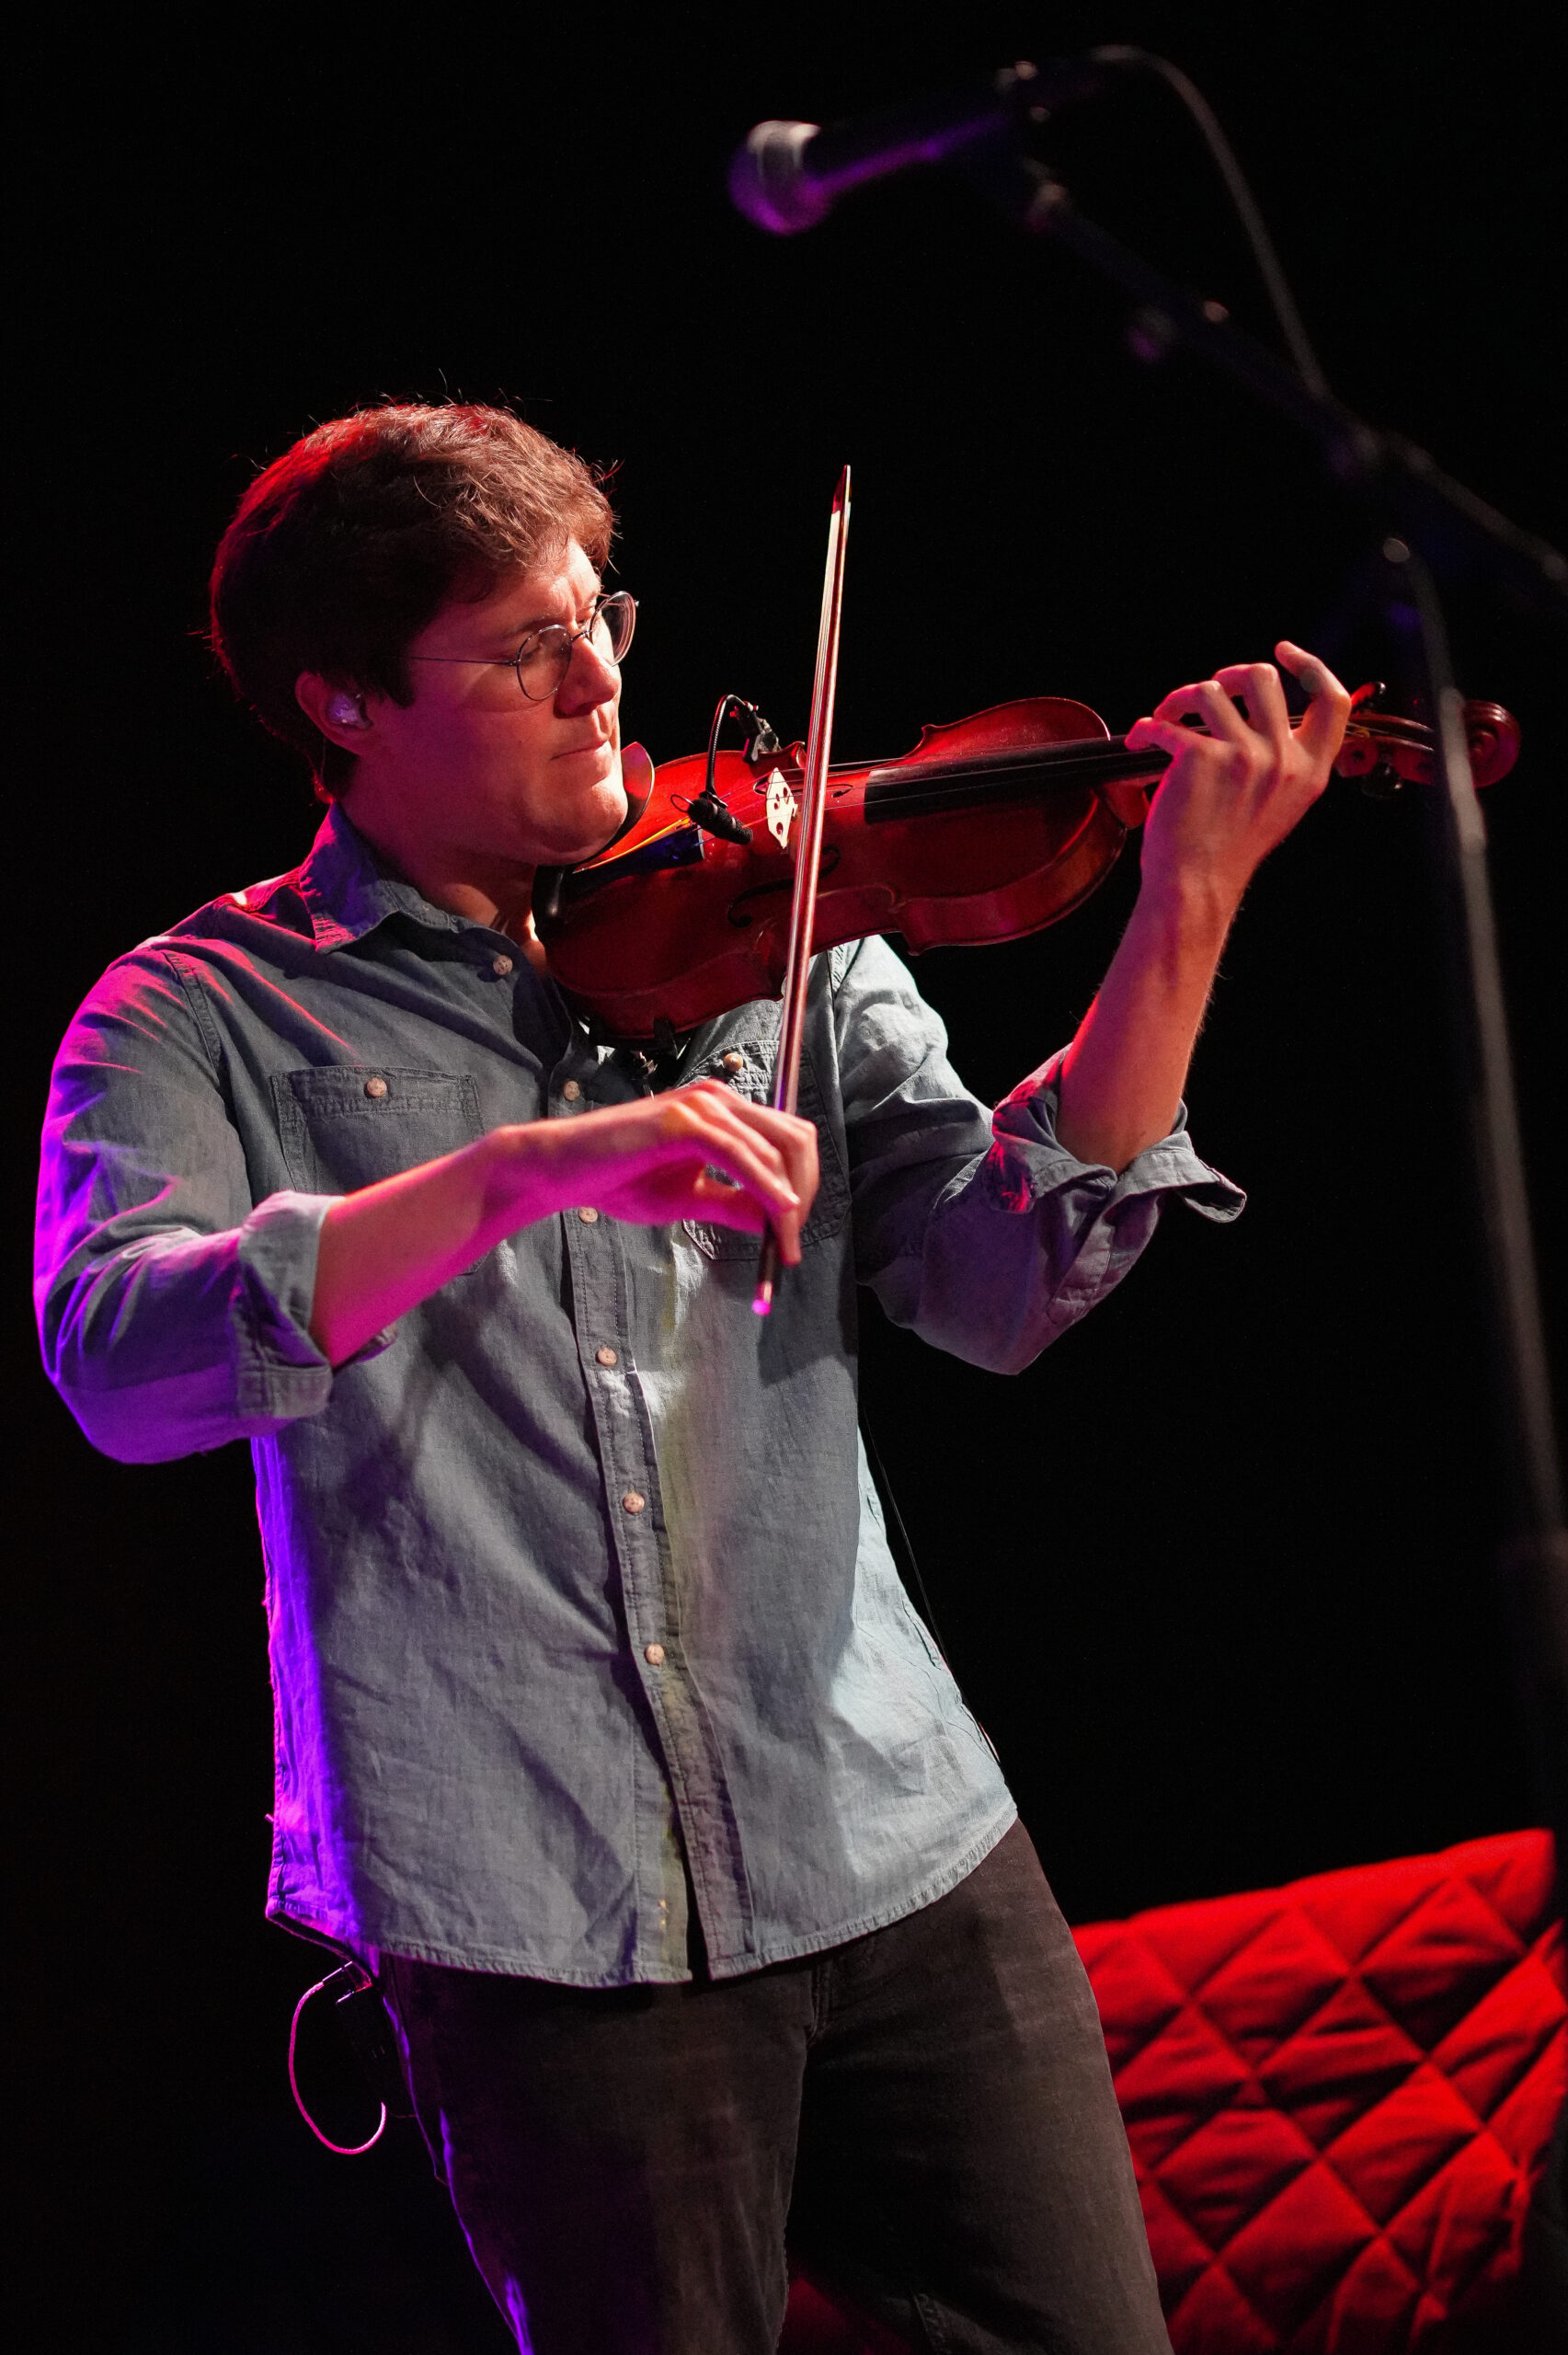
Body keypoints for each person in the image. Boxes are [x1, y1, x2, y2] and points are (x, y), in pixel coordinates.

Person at [34, 401, 1350, 2354]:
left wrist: (1185, 904)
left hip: (887, 1832)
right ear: (341, 704)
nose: (602, 684)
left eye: (602, 617)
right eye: (519, 651)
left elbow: (995, 1287)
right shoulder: (198, 1013)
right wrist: (514, 1171)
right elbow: (123, 1366)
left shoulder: (785, 923)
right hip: (529, 1908)